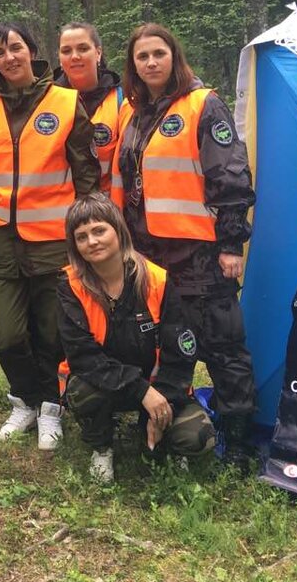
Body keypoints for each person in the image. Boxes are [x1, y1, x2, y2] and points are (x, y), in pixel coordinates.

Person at [112, 23, 257, 464]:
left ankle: (241, 444)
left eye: (159, 53)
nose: (151, 62)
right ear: (133, 65)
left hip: (200, 255)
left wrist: (231, 243)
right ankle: (165, 428)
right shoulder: (132, 112)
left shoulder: (203, 104)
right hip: (149, 256)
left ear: (174, 56)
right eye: (142, 57)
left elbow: (231, 177)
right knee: (162, 344)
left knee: (222, 347)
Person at [0, 21, 99, 450]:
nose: (9, 58)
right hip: (0, 239)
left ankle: (52, 408)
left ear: (32, 52)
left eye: (15, 48)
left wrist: (82, 230)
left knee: (53, 331)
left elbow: (86, 175)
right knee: (8, 333)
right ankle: (24, 399)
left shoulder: (65, 102)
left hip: (55, 240)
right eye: (0, 53)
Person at [59, 193, 215, 483]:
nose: (92, 241)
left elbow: (181, 353)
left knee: (198, 438)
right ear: (75, 246)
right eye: (81, 237)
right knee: (82, 390)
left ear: (118, 231)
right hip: (107, 385)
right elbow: (83, 357)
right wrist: (142, 391)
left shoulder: (157, 281)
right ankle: (101, 445)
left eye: (99, 230)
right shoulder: (71, 287)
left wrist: (162, 399)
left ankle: (156, 431)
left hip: (158, 387)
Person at [55, 22, 123, 192]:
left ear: (98, 53)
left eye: (83, 49)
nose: (75, 56)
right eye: (66, 51)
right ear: (59, 58)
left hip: (109, 209)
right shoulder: (46, 100)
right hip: (59, 209)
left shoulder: (122, 100)